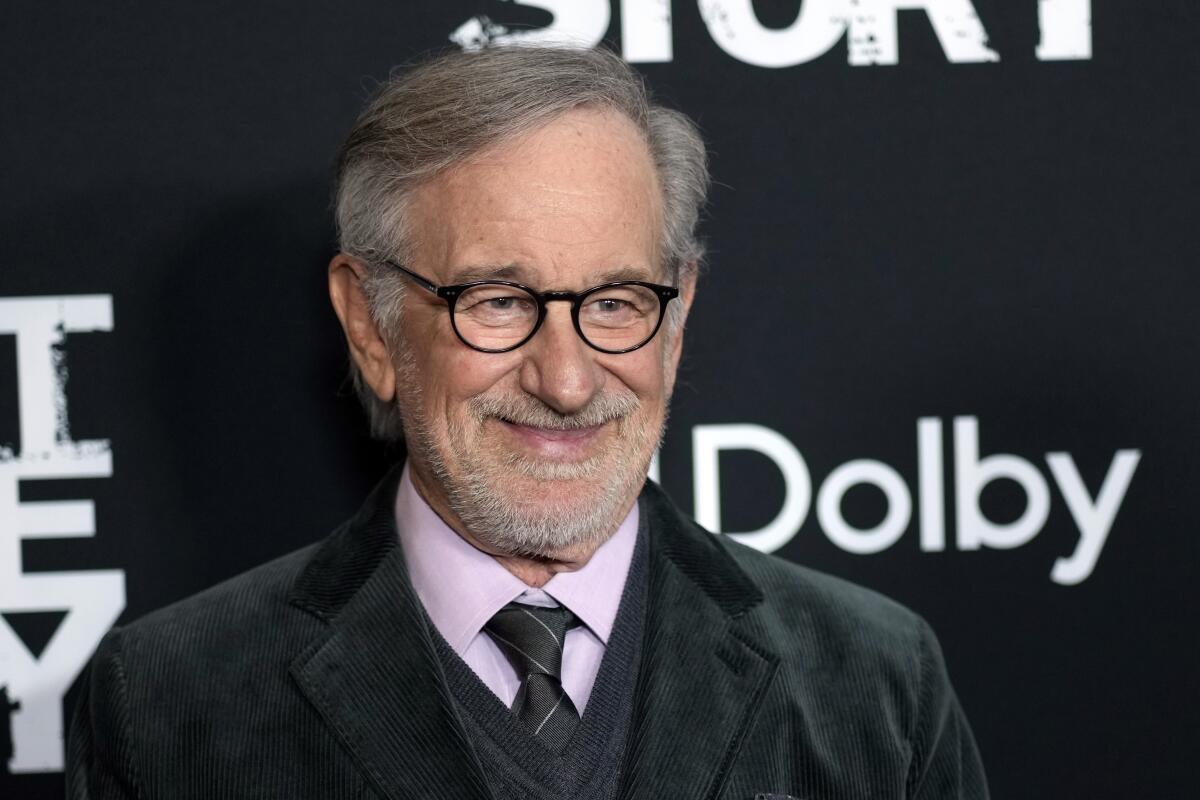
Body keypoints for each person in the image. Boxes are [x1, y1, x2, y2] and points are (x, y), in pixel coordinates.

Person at [67, 46, 988, 799]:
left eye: (619, 301)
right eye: (499, 300)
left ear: (678, 318)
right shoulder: (173, 708)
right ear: (370, 324)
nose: (569, 378)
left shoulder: (874, 686)